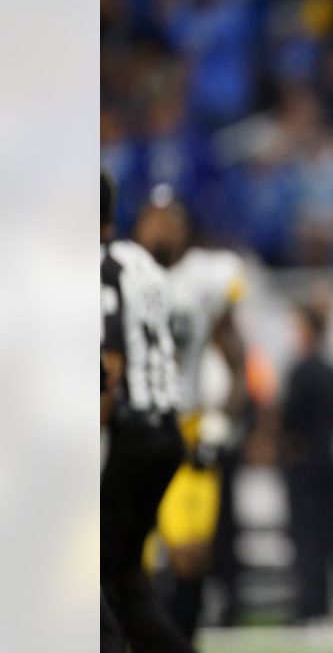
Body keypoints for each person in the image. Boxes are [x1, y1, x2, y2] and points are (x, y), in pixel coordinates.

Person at [133, 186, 248, 639]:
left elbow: (238, 359)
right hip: (133, 426)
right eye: (155, 218)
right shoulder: (118, 273)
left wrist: (223, 418)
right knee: (127, 556)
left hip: (188, 422)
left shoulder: (207, 278)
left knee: (192, 551)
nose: (164, 228)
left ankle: (183, 640)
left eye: (173, 218)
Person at [100, 170, 196, 653]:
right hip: (166, 430)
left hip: (130, 432)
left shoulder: (101, 266)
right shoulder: (144, 264)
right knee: (127, 580)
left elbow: (108, 363)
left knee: (92, 580)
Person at [280, 296, 333, 622]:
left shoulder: (300, 371)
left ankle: (312, 604)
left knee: (307, 537)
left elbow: (290, 423)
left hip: (305, 466)